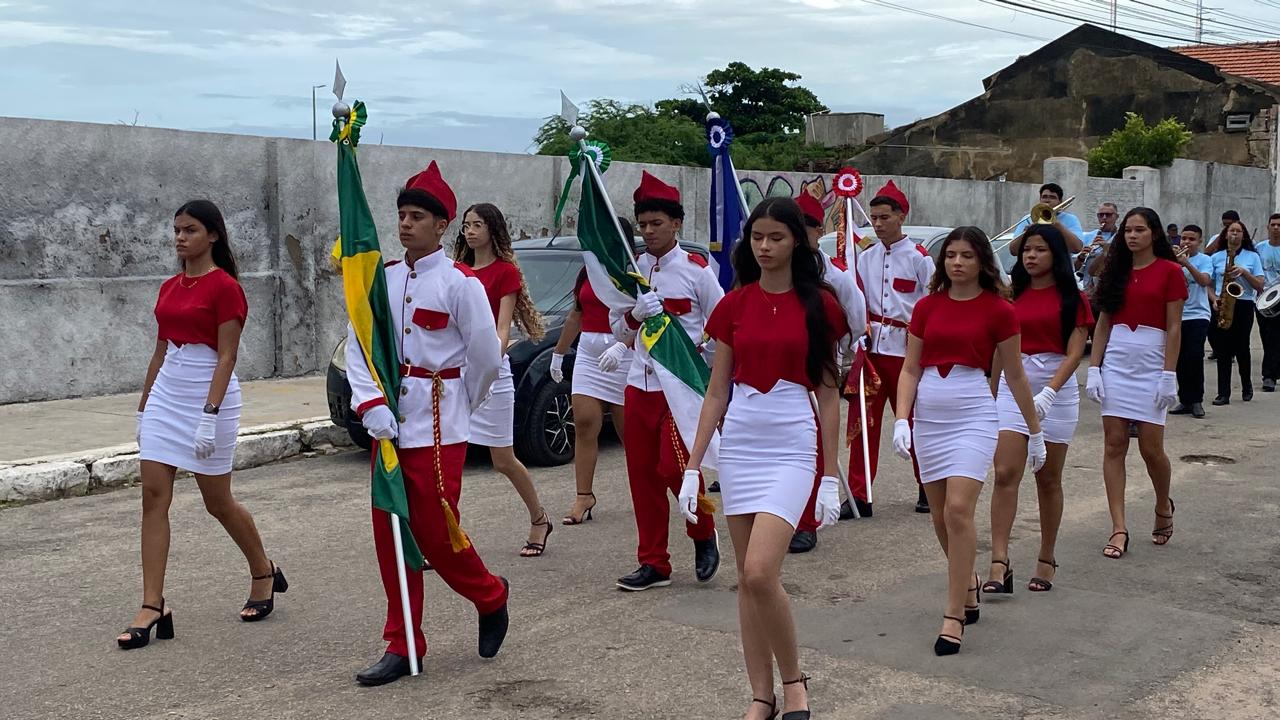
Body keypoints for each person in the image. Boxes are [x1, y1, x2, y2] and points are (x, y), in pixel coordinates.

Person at [684, 197, 847, 719]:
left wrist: (829, 475)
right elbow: (716, 391)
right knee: (746, 580)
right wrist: (694, 465)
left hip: (793, 442)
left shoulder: (820, 305)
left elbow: (828, 395)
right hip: (741, 444)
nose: (765, 246)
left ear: (796, 240)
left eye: (776, 237)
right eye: (757, 237)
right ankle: (761, 694)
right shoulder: (734, 304)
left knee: (759, 572)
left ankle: (794, 682)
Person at [347, 162, 509, 686]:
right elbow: (359, 343)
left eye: (417, 216)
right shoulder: (385, 279)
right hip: (388, 425)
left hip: (439, 425)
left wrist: (459, 406)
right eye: (402, 215)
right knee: (391, 533)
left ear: (442, 226)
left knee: (438, 535)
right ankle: (403, 643)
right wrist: (370, 403)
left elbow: (485, 359)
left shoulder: (461, 284)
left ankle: (490, 595)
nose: (405, 224)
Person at [118, 200, 285, 650]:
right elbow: (160, 350)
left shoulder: (226, 288)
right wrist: (144, 408)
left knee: (218, 502)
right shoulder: (169, 286)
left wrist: (209, 416)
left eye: (189, 230)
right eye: (176, 230)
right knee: (153, 497)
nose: (180, 237)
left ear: (212, 235)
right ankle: (152, 605)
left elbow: (227, 356)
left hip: (209, 399)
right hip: (167, 397)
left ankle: (263, 570)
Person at [894, 226, 1046, 656]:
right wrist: (901, 418)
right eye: (951, 255)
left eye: (966, 255)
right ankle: (969, 583)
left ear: (982, 261)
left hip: (974, 414)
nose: (957, 263)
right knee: (940, 516)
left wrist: (1034, 431)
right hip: (930, 417)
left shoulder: (999, 310)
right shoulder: (926, 307)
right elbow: (910, 368)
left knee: (959, 509)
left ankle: (953, 614)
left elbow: (1015, 375)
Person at [612, 171, 723, 592]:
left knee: (674, 466)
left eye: (656, 223)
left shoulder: (697, 272)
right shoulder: (633, 271)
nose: (648, 231)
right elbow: (618, 327)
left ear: (676, 223)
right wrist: (633, 316)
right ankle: (653, 562)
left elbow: (721, 326)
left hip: (680, 387)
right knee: (642, 477)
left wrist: (706, 372)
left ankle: (703, 532)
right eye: (643, 224)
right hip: (639, 384)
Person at [983, 225, 1092, 596]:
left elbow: (1075, 353)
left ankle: (1046, 556)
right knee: (1005, 472)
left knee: (1048, 478)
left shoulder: (1074, 299)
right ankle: (999, 560)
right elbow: (1000, 350)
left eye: (1040, 249)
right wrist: (990, 394)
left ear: (1056, 254)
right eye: (1027, 249)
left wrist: (1050, 391)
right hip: (1013, 388)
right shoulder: (1011, 295)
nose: (1030, 256)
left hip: (1056, 393)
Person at [454, 203, 553, 557]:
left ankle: (539, 518)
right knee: (450, 457)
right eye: (466, 225)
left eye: (477, 225)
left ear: (492, 229)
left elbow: (502, 328)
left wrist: (488, 362)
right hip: (457, 375)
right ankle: (445, 535)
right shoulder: (457, 272)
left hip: (493, 373)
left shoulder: (504, 272)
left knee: (503, 460)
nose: (470, 231)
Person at [1087, 207, 1186, 559]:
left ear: (1154, 233)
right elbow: (1103, 322)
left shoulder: (1171, 272)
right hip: (1117, 361)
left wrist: (1168, 374)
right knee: (1114, 444)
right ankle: (1119, 528)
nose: (1132, 235)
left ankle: (1162, 504)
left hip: (1151, 362)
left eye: (1139, 230)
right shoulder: (1115, 270)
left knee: (1151, 449)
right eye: (1128, 230)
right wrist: (1094, 368)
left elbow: (1174, 326)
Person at [788, 191, 867, 553]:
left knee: (815, 444)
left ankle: (807, 522)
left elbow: (855, 320)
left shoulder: (835, 276)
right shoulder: (772, 273)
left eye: (804, 227)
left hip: (818, 366)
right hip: (780, 369)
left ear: (818, 230)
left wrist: (840, 356)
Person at [850, 181, 934, 517]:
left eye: (884, 217)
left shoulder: (920, 259)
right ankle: (860, 494)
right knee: (863, 423)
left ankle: (927, 486)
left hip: (906, 354)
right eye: (873, 218)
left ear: (901, 216)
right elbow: (856, 301)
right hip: (871, 352)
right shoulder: (866, 257)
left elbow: (930, 306)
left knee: (915, 421)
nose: (878, 224)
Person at [549, 217, 636, 525]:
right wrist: (558, 354)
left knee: (631, 435)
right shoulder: (588, 270)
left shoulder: (634, 272)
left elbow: (646, 317)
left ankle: (648, 491)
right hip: (589, 354)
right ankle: (583, 496)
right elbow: (576, 314)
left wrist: (623, 345)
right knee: (585, 423)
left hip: (625, 354)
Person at [1207, 220, 1266, 405]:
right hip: (1222, 303)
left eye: (1238, 231)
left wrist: (1243, 272)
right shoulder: (1216, 257)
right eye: (1231, 231)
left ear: (1243, 235)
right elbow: (1208, 284)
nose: (1234, 234)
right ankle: (1223, 393)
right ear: (1225, 235)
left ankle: (1246, 386)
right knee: (1222, 350)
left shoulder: (1252, 256)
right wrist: (1214, 299)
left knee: (1242, 348)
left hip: (1244, 304)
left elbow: (1260, 285)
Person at [1170, 225, 1215, 418]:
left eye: (1192, 239)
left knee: (1194, 357)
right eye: (1184, 238)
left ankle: (1197, 400)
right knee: (1179, 358)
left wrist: (1186, 264)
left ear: (1199, 241)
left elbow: (1204, 281)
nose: (1187, 242)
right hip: (1176, 315)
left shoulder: (1205, 260)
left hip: (1198, 314)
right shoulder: (1172, 259)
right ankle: (1185, 400)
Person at [1009, 183, 1085, 254]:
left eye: (1052, 197)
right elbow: (1013, 251)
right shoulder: (1028, 219)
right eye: (1044, 197)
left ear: (1060, 202)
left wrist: (1057, 224)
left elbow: (1077, 248)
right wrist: (1026, 233)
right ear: (1040, 199)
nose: (1047, 200)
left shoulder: (1071, 219)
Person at [1256, 213, 1280, 392]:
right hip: (1262, 300)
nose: (1276, 228)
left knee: (1275, 337)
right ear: (1268, 227)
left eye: (1279, 225)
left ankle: (1270, 375)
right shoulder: (1260, 248)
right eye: (1273, 225)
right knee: (1267, 337)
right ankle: (1272, 372)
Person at [1078, 202, 1120, 293]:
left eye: (1108, 215)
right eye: (1100, 215)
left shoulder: (1121, 237)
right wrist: (1081, 257)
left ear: (1116, 217)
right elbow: (1076, 267)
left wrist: (1106, 248)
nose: (1104, 218)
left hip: (1109, 288)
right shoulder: (1088, 236)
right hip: (1087, 288)